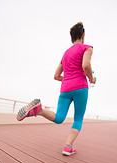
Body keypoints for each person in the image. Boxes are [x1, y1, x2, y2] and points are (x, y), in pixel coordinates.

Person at [17, 22, 96, 156]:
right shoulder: (87, 48)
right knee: (78, 118)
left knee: (59, 118)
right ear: (83, 35)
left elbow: (56, 76)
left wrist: (68, 79)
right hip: (80, 87)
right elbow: (86, 65)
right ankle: (68, 147)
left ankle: (39, 110)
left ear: (71, 39)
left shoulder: (65, 54)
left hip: (65, 89)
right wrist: (91, 78)